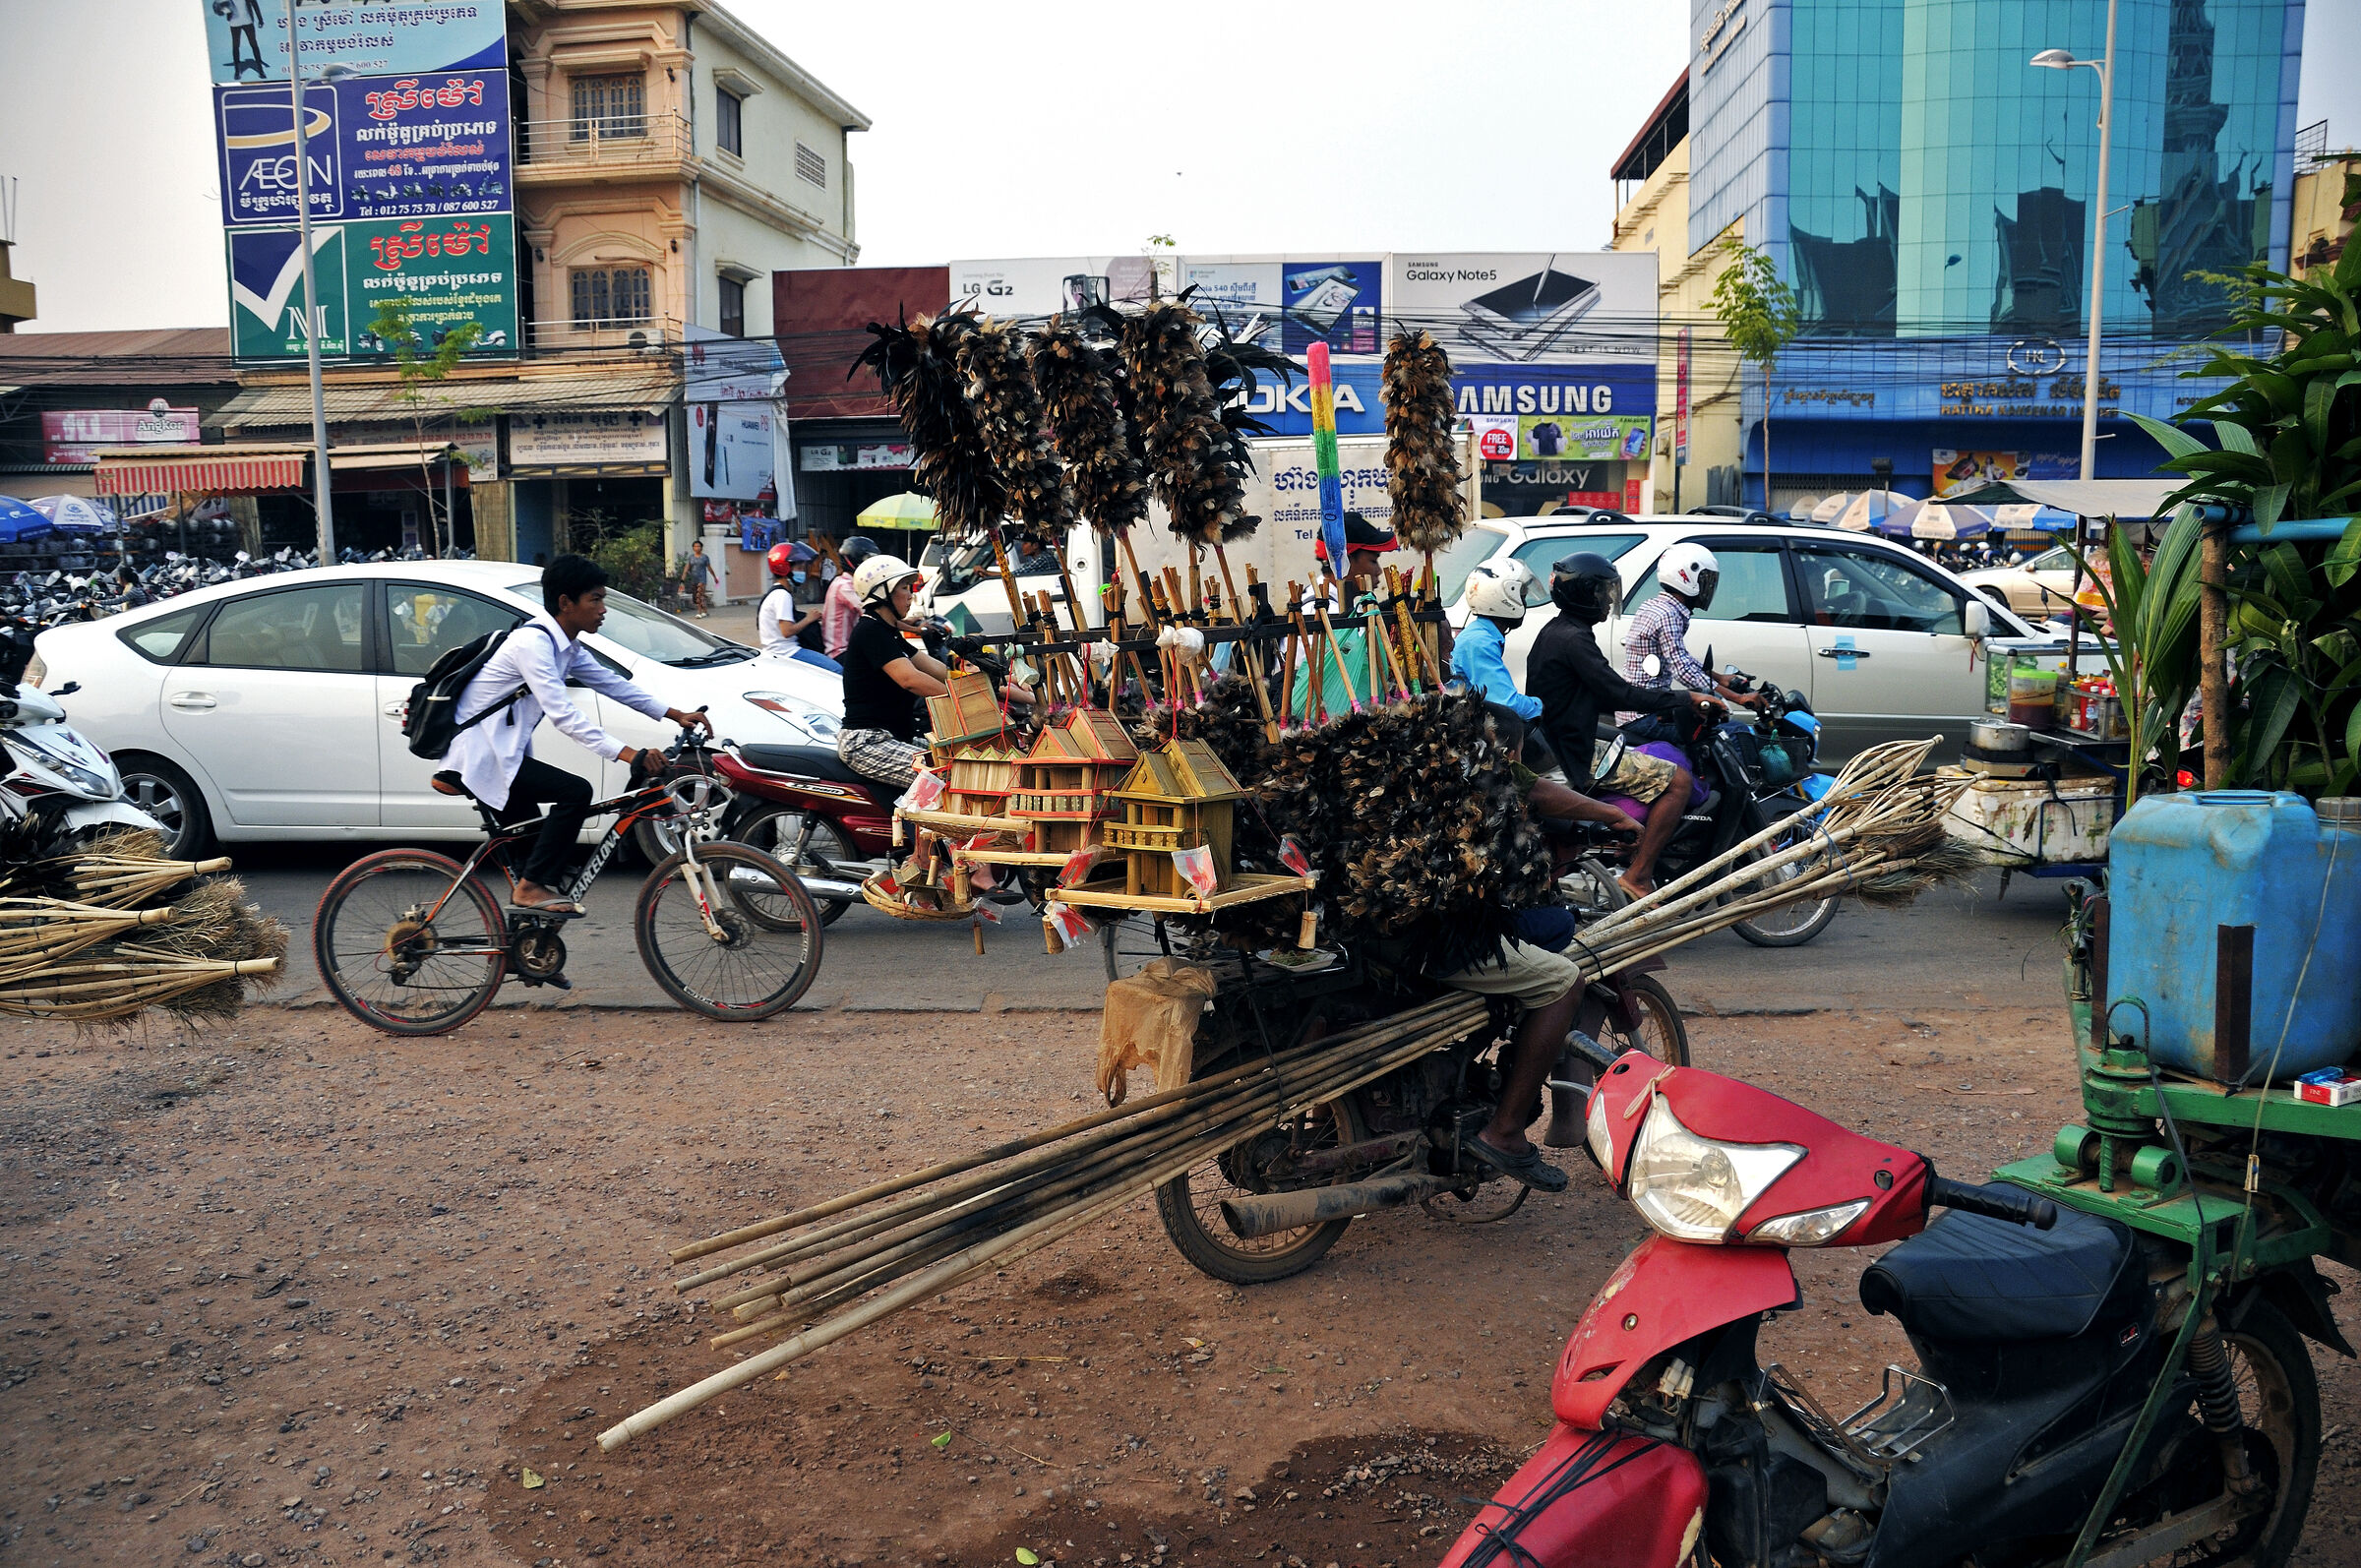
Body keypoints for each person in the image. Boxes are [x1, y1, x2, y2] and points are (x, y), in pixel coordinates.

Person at [444, 554, 712, 916]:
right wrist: (629, 753)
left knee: (538, 848)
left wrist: (676, 714)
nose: (603, 609)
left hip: (505, 754)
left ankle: (531, 944)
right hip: (483, 755)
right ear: (565, 603)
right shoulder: (533, 646)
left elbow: (614, 684)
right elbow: (564, 715)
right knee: (575, 792)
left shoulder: (566, 647)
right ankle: (528, 891)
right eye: (595, 600)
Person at [1530, 553, 1714, 896]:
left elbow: (1594, 695)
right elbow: (1619, 692)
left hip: (1561, 743)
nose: (1607, 600)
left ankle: (1624, 850)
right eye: (1601, 593)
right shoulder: (1575, 640)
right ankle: (1638, 875)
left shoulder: (1558, 631)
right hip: (1573, 754)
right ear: (1583, 595)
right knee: (1679, 781)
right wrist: (1683, 700)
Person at [834, 554, 1031, 789]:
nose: (911, 595)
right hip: (867, 742)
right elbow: (910, 679)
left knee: (966, 761)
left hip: (895, 737)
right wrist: (962, 701)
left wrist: (990, 683)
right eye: (905, 588)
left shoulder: (889, 633)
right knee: (948, 777)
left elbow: (940, 671)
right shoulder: (870, 631)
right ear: (882, 593)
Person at [1617, 542, 1763, 741]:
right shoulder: (1668, 615)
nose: (1708, 587)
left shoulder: (1654, 605)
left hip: (1644, 708)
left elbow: (1679, 658)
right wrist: (1738, 698)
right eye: (1705, 580)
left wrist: (1720, 678)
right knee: (1735, 733)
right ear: (1688, 578)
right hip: (1645, 716)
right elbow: (1682, 670)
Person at [1289, 513, 1401, 717]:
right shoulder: (1319, 609)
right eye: (1373, 561)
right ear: (1347, 560)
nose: (1378, 571)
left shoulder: (1344, 604)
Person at [1449, 559, 1543, 732]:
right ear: (1503, 598)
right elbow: (1506, 703)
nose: (1524, 602)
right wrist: (1542, 706)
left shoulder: (1482, 634)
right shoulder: (1479, 643)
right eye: (1521, 596)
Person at [757, 542, 839, 671]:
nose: (803, 573)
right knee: (837, 670)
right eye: (799, 568)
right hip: (786, 652)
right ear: (784, 568)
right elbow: (787, 631)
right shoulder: (782, 595)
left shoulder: (775, 593)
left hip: (778, 650)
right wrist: (809, 618)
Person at [823, 534, 879, 660]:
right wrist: (912, 628)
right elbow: (871, 613)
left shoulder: (852, 584)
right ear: (855, 560)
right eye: (867, 560)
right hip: (840, 652)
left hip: (853, 649)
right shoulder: (844, 586)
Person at [680, 538, 717, 618]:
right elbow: (686, 568)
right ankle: (705, 611)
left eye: (699, 546)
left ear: (701, 547)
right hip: (694, 579)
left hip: (702, 579)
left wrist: (714, 577)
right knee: (699, 596)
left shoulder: (705, 557)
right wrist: (682, 579)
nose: (697, 548)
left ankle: (699, 612)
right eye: (695, 546)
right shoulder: (691, 558)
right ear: (693, 548)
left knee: (699, 595)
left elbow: (709, 568)